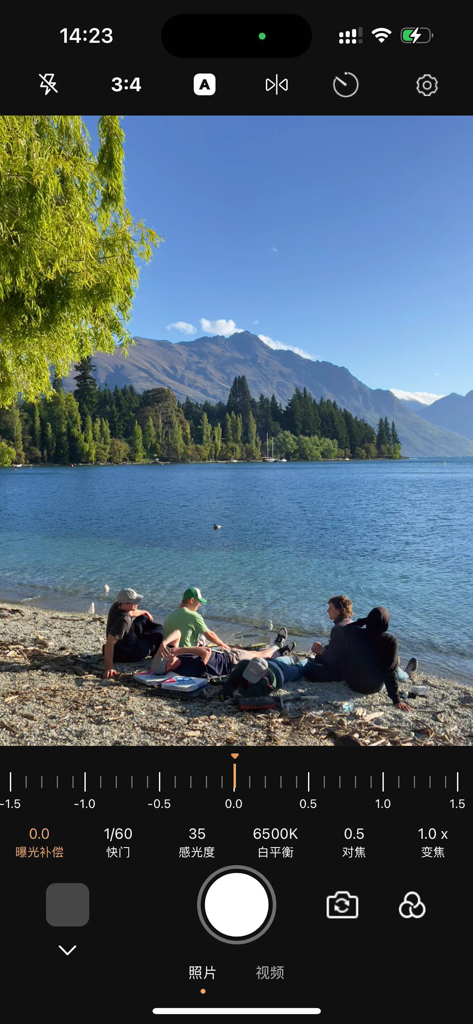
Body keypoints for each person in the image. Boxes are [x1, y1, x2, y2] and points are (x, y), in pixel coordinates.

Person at [151, 630, 294, 677]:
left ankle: (279, 650)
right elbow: (205, 652)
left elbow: (178, 633)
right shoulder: (186, 670)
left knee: (256, 654)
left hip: (225, 654)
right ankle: (277, 647)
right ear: (168, 667)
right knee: (259, 656)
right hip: (232, 662)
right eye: (167, 659)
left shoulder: (176, 659)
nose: (170, 655)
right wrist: (181, 650)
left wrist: (164, 644)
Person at [103, 588, 163, 679]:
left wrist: (145, 612)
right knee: (159, 631)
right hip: (130, 652)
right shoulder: (123, 621)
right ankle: (156, 653)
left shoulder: (116, 605)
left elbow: (131, 613)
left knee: (143, 617)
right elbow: (109, 644)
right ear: (123, 605)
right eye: (134, 603)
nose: (136, 604)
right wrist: (109, 668)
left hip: (127, 640)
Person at [155, 587, 231, 657]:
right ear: (192, 600)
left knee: (197, 633)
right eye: (199, 602)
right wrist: (223, 644)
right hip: (185, 654)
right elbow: (210, 634)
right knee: (203, 635)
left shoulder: (171, 614)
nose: (199, 605)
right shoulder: (194, 616)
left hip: (169, 653)